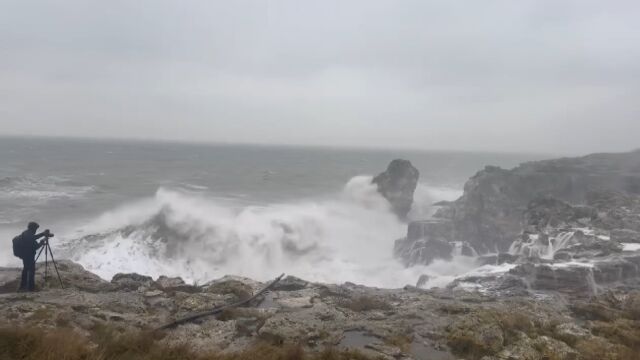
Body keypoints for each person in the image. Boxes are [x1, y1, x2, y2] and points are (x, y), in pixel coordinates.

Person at [18, 222, 50, 292]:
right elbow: (35, 246)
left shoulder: (26, 233)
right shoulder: (29, 235)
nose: (36, 230)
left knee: (26, 269)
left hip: (24, 255)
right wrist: (41, 242)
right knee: (31, 271)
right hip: (29, 255)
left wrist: (42, 234)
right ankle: (31, 289)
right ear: (33, 228)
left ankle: (22, 287)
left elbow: (34, 237)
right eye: (36, 229)